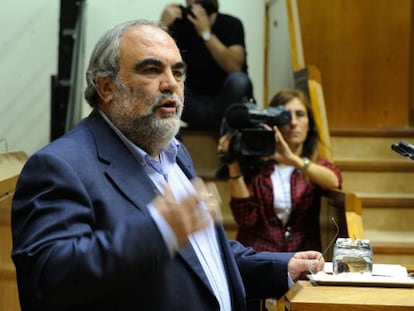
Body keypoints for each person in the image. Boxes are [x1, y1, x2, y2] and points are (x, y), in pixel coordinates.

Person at [11, 21, 324, 311]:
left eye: (178, 72)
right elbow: (45, 282)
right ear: (106, 87)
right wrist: (158, 229)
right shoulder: (60, 166)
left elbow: (201, 256)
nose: (171, 84)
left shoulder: (175, 153)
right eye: (151, 70)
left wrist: (280, 267)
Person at [219, 88, 343, 253]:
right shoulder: (254, 162)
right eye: (285, 116)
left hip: (302, 258)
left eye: (300, 114)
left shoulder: (313, 165)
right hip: (259, 258)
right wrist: (232, 163)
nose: (293, 122)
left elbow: (334, 180)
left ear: (309, 124)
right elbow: (245, 219)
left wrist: (292, 159)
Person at [160, 0, 253, 132]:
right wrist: (163, 26)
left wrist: (206, 33)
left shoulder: (231, 24)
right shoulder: (182, 25)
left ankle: (229, 137)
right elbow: (156, 62)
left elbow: (235, 67)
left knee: (239, 81)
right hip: (194, 104)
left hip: (226, 104)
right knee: (163, 86)